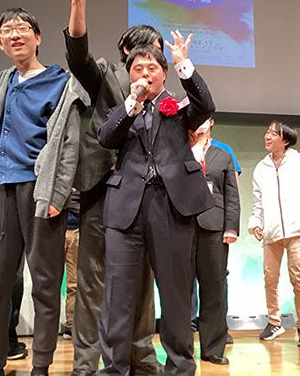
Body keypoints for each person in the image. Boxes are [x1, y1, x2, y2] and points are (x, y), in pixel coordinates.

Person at [0, 7, 89, 376]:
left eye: (22, 28)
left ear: (37, 38)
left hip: (42, 191)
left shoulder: (60, 82)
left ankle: (41, 364)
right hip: (2, 187)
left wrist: (58, 194)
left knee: (45, 283)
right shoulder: (2, 81)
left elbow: (69, 143)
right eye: (7, 31)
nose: (15, 35)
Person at [64, 0, 163, 375]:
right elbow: (78, 56)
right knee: (92, 280)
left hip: (146, 193)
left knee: (141, 280)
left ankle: (140, 357)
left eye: (158, 55)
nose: (153, 60)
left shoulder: (163, 92)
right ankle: (86, 362)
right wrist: (79, 2)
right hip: (103, 186)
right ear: (127, 52)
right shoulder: (106, 74)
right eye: (147, 50)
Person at [97, 37, 215, 375]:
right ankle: (114, 369)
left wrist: (183, 63)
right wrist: (132, 103)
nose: (145, 73)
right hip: (126, 208)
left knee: (176, 293)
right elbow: (106, 137)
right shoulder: (123, 109)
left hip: (171, 206)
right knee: (118, 295)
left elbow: (205, 105)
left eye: (152, 68)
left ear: (164, 73)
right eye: (138, 68)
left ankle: (179, 368)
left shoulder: (179, 108)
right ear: (130, 75)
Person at [249, 121, 300, 347]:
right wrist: (256, 222)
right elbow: (258, 201)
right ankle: (274, 322)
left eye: (273, 133)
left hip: (296, 230)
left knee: (298, 278)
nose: (267, 136)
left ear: (286, 140)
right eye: (267, 132)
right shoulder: (261, 168)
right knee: (270, 279)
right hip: (271, 233)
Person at [189, 119, 240, 365]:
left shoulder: (223, 154)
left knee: (214, 288)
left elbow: (232, 194)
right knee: (180, 289)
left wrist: (231, 227)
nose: (199, 124)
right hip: (182, 226)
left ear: (211, 122)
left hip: (215, 228)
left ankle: (213, 349)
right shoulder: (178, 149)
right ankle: (180, 349)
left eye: (204, 119)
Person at [63, 190, 81, 339]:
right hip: (53, 227)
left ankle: (71, 325)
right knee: (47, 284)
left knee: (74, 282)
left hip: (76, 229)